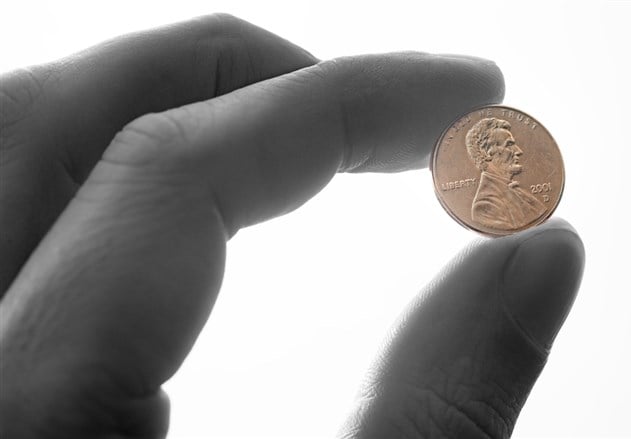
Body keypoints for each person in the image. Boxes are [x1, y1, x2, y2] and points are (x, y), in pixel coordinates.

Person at [0, 14, 585, 439]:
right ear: (484, 158)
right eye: (506, 147)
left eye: (514, 149)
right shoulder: (489, 205)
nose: (515, 156)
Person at [466, 117, 547, 230]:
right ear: (485, 153)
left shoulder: (516, 190)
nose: (519, 151)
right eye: (509, 144)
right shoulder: (485, 206)